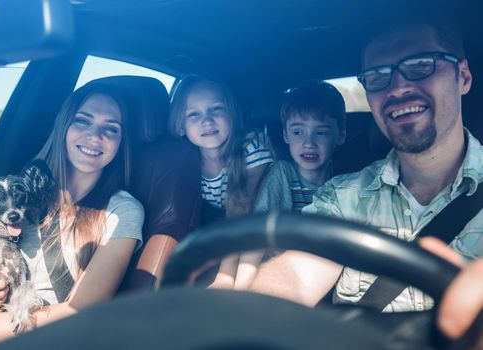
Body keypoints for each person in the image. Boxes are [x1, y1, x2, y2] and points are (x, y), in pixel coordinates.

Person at [250, 13, 483, 312]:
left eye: (420, 65)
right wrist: (247, 318)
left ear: (462, 77)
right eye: (377, 75)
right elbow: (295, 275)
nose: (397, 88)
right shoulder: (341, 197)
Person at [0, 80, 144, 346]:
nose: (95, 136)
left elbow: (79, 311)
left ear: (121, 143)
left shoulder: (121, 211)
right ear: (63, 126)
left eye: (111, 129)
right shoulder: (14, 194)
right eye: (83, 121)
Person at [168, 75, 273, 290]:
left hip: (256, 235)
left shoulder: (251, 147)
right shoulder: (186, 160)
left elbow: (242, 211)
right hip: (217, 234)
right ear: (181, 126)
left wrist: (225, 275)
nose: (207, 121)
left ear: (232, 114)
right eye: (194, 114)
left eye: (216, 109)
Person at [254, 80, 346, 214]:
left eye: (321, 133)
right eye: (297, 132)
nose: (309, 143)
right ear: (286, 135)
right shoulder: (283, 173)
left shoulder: (346, 176)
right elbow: (262, 225)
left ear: (340, 135)